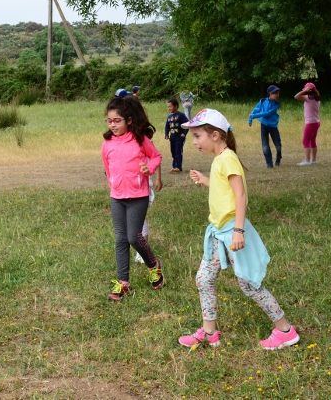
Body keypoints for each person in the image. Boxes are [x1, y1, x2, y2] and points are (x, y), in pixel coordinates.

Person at [178, 109, 299, 350]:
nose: (194, 142)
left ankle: (285, 330)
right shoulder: (219, 159)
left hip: (232, 231)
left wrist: (239, 232)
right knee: (204, 279)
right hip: (217, 231)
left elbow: (240, 195)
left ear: (214, 135)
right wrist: (205, 180)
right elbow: (224, 189)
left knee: (249, 284)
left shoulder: (228, 158)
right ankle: (209, 333)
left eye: (197, 136)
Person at [101, 96, 165, 300]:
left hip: (138, 195)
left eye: (117, 120)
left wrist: (150, 168)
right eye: (109, 120)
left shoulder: (140, 139)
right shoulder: (107, 143)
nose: (112, 125)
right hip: (117, 197)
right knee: (120, 239)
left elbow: (156, 156)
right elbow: (107, 166)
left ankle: (154, 266)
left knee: (134, 237)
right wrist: (113, 182)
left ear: (128, 120)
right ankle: (123, 283)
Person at [248, 85, 282, 168]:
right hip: (264, 125)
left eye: (278, 93)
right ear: (270, 94)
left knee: (278, 145)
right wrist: (250, 119)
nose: (277, 95)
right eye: (275, 93)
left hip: (273, 127)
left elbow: (267, 114)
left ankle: (278, 157)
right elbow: (256, 109)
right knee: (265, 145)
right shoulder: (262, 101)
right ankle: (269, 163)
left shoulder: (276, 104)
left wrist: (253, 116)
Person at [294, 82, 321, 166]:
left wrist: (304, 91)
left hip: (310, 122)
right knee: (312, 140)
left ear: (308, 91)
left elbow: (296, 96)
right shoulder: (317, 98)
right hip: (316, 122)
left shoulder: (308, 98)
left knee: (306, 141)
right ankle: (313, 160)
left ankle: (307, 161)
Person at [164, 98, 189, 173]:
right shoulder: (169, 117)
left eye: (170, 106)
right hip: (172, 137)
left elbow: (187, 125)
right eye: (168, 107)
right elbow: (167, 126)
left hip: (179, 137)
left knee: (178, 151)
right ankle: (175, 166)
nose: (169, 108)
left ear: (176, 106)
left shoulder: (181, 115)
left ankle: (177, 167)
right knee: (173, 152)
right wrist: (166, 134)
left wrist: (184, 133)